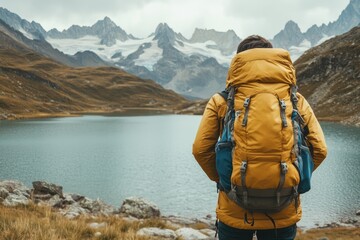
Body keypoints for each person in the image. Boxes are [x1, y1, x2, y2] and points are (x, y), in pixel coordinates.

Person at [192, 35, 327, 240]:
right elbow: (320, 149)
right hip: (283, 209)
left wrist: (225, 181)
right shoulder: (296, 101)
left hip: (233, 208)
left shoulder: (221, 100)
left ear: (238, 62)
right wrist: (294, 176)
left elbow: (200, 150)